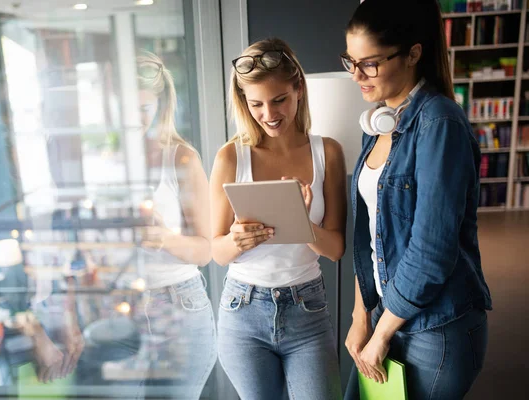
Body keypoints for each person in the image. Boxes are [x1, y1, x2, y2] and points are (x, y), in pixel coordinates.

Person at [341, 1, 492, 399]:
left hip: (435, 328)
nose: (357, 75)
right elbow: (370, 237)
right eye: (350, 61)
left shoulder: (440, 124)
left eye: (369, 63)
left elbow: (432, 249)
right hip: (385, 316)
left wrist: (381, 333)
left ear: (413, 54)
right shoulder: (376, 127)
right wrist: (361, 316)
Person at [210, 37, 347, 399]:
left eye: (279, 100)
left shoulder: (327, 153)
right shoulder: (230, 158)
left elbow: (335, 249)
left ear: (298, 88)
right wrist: (234, 240)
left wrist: (301, 220)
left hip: (307, 309)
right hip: (243, 312)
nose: (269, 114)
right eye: (256, 104)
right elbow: (217, 252)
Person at [123, 49, 216, 399]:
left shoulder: (181, 158)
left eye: (143, 109)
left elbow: (206, 249)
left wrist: (164, 238)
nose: (133, 119)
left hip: (179, 305)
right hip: (124, 306)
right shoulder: (108, 162)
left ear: (160, 107)